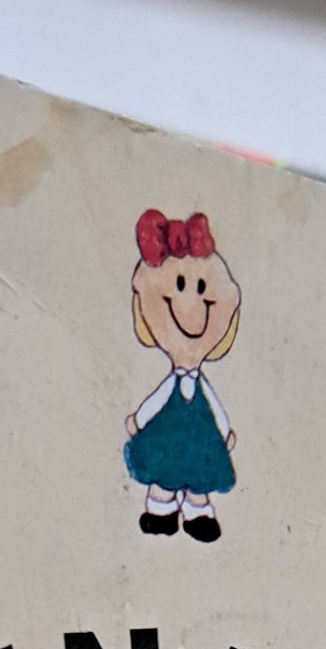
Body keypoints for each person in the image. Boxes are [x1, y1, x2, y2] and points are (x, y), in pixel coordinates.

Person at [123, 212, 241, 542]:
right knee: (164, 475)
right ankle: (160, 512)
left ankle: (197, 514)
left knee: (199, 480)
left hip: (200, 438)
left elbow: (214, 406)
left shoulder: (201, 384)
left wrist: (224, 431)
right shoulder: (173, 382)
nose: (192, 305)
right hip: (168, 437)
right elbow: (158, 398)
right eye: (180, 288)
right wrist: (139, 420)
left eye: (202, 290)